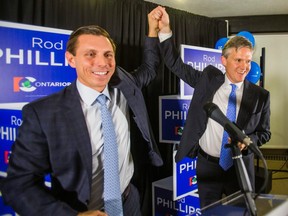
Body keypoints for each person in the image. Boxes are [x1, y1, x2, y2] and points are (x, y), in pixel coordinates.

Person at [0, 14, 163, 216]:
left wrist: (153, 30)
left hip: (129, 201)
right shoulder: (44, 113)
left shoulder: (124, 86)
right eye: (90, 54)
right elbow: (18, 185)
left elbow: (149, 68)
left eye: (108, 54)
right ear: (71, 59)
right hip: (81, 210)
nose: (102, 63)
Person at [149, 6, 271, 208]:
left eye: (248, 61)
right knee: (208, 212)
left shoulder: (261, 96)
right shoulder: (208, 78)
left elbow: (265, 133)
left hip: (239, 167)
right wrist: (165, 30)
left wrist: (249, 141)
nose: (244, 66)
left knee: (240, 213)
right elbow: (174, 63)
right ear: (224, 60)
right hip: (207, 166)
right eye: (238, 60)